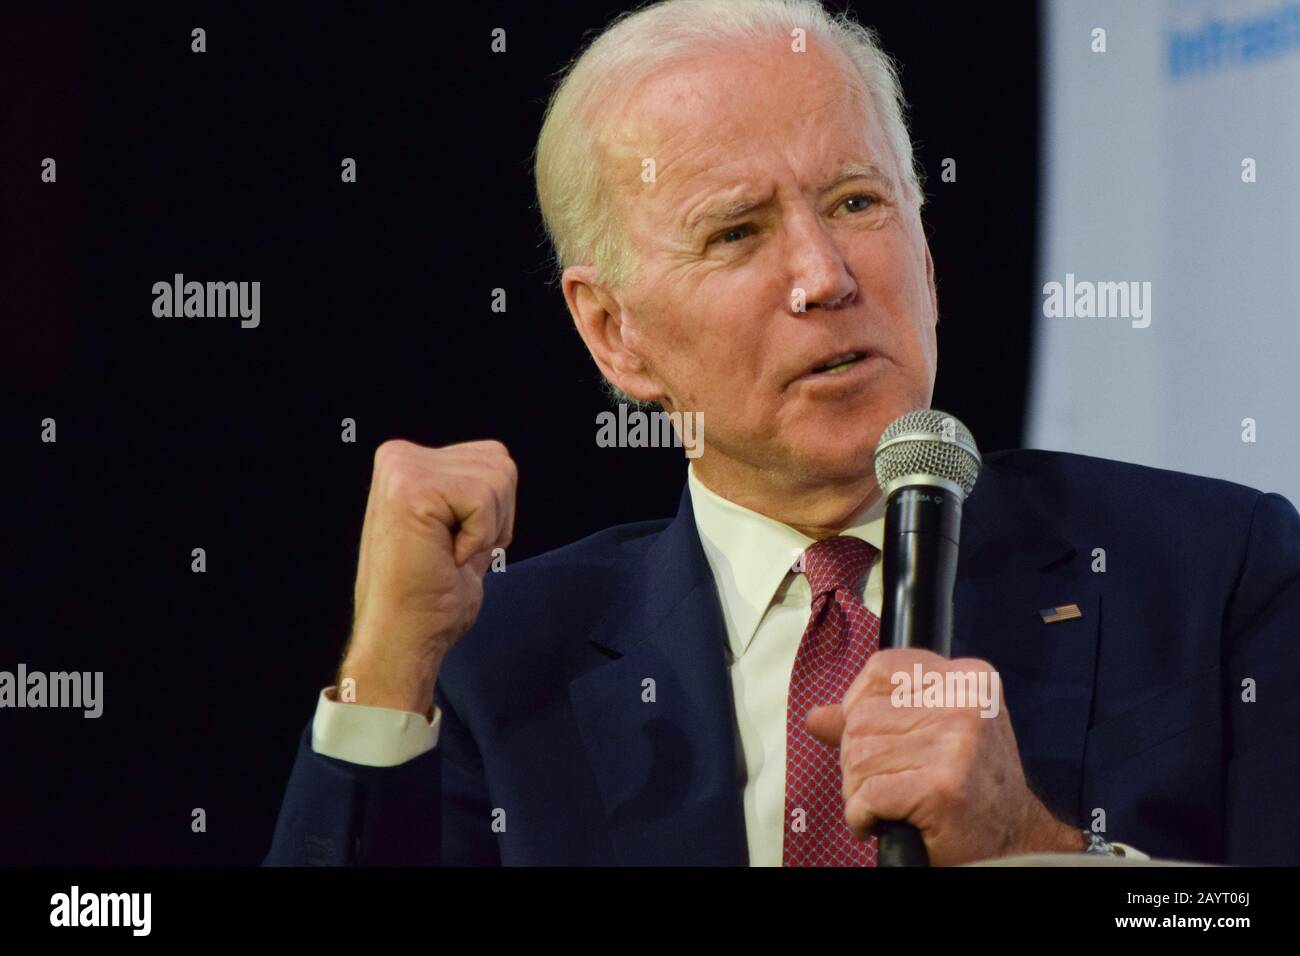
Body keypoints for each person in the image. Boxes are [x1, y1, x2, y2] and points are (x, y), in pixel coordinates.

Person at [265, 0, 1300, 866]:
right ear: (613, 334)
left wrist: (1034, 848)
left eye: (855, 202)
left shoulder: (1213, 568)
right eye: (737, 231)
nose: (824, 275)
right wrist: (387, 675)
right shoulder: (500, 668)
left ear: (927, 259)